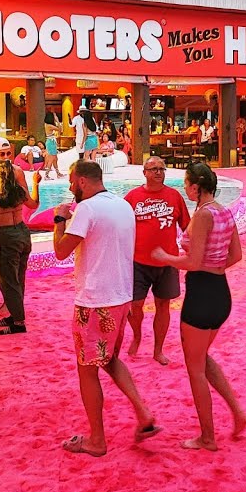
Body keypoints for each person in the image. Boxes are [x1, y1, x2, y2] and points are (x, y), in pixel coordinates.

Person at [53, 161, 160, 457]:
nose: (71, 187)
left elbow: (60, 251)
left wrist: (59, 219)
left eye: (72, 182)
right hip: (120, 296)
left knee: (86, 369)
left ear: (82, 181)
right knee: (109, 358)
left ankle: (97, 440)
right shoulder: (123, 205)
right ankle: (143, 412)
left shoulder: (87, 208)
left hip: (95, 300)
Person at [151, 162, 246, 451]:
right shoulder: (224, 211)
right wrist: (214, 267)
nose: (184, 188)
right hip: (219, 292)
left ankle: (207, 437)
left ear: (196, 187)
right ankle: (238, 413)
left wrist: (165, 257)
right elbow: (236, 255)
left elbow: (192, 262)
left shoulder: (204, 215)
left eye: (186, 184)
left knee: (195, 369)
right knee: (202, 359)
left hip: (202, 295)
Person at [124, 156, 191, 365]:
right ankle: (137, 336)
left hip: (167, 262)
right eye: (154, 169)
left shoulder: (174, 196)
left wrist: (192, 253)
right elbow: (120, 226)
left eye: (162, 169)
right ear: (144, 172)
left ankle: (158, 349)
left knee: (163, 306)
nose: (158, 172)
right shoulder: (132, 197)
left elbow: (187, 228)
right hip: (137, 261)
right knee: (135, 305)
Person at [0, 138, 39, 336]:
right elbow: (34, 204)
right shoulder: (19, 190)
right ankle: (14, 315)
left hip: (7, 234)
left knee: (9, 280)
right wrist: (36, 184)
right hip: (23, 232)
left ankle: (18, 322)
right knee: (19, 277)